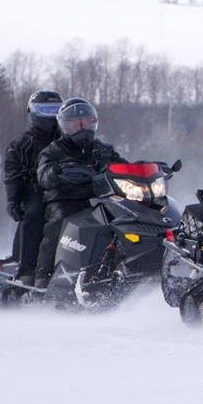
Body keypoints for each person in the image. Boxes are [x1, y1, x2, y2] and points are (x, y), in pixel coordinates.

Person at [34, 98, 126, 288]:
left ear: (94, 123)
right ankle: (43, 275)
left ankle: (121, 263)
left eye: (86, 122)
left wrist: (146, 171)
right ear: (64, 126)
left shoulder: (103, 150)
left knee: (125, 219)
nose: (81, 127)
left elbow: (123, 167)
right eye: (75, 123)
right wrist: (58, 172)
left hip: (100, 198)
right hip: (65, 200)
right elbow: (43, 174)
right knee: (58, 224)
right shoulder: (53, 150)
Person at [4, 90, 64, 285]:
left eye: (55, 110)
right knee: (35, 214)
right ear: (33, 113)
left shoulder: (70, 140)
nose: (51, 116)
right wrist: (14, 201)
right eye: (45, 110)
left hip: (68, 190)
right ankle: (29, 269)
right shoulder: (21, 144)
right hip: (37, 191)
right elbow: (13, 176)